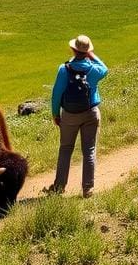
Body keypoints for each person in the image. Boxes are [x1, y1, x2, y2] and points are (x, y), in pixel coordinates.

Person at [45, 35, 108, 198]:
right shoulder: (94, 70)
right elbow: (105, 69)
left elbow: (56, 94)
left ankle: (59, 187)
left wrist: (55, 114)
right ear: (87, 51)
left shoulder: (64, 69)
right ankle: (88, 189)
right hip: (90, 112)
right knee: (89, 149)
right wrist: (92, 55)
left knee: (66, 149)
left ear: (73, 49)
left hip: (69, 115)